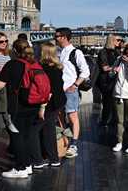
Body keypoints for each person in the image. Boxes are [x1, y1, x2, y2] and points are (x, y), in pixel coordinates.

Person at [0, 39, 46, 179]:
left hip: (17, 106)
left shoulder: (12, 64)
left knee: (16, 136)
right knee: (27, 135)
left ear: (15, 51)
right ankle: (28, 165)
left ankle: (20, 168)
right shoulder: (35, 63)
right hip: (34, 105)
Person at [54, 27, 90, 159]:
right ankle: (65, 141)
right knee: (60, 116)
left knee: (73, 117)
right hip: (60, 90)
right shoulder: (59, 52)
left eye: (57, 36)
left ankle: (74, 145)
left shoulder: (76, 52)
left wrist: (75, 85)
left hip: (70, 91)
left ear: (64, 37)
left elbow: (86, 71)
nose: (55, 38)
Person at [38, 41, 67, 167]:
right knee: (49, 129)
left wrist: (42, 107)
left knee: (45, 130)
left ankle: (50, 157)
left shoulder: (43, 69)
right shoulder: (57, 68)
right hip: (58, 101)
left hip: (49, 102)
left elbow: (46, 89)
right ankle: (51, 157)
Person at [97, 34, 123, 127]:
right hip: (106, 81)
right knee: (107, 102)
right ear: (111, 40)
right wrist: (114, 68)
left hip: (115, 80)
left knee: (114, 102)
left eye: (120, 40)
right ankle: (105, 121)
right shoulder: (103, 52)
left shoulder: (117, 52)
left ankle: (113, 120)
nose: (120, 42)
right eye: (118, 40)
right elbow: (104, 68)